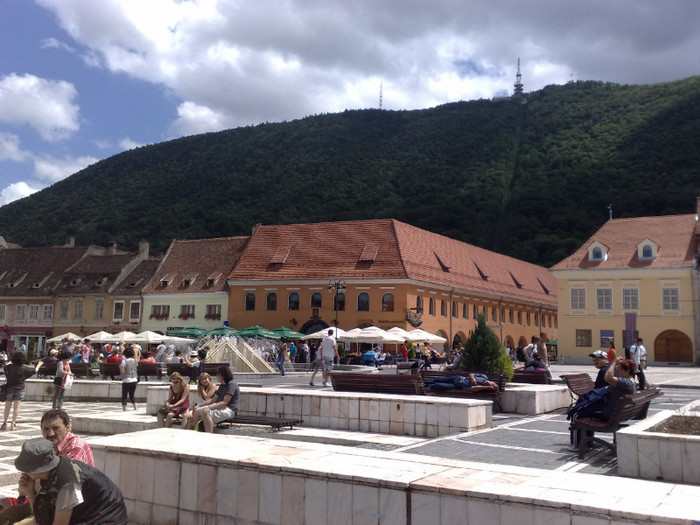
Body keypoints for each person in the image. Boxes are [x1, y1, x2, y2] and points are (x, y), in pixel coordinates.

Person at [0, 410, 94, 525]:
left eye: (56, 428)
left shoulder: (75, 448)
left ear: (68, 427)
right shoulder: (45, 448)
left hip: (72, 508)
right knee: (4, 516)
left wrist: (33, 487)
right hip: (46, 501)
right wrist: (29, 489)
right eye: (46, 429)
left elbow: (62, 489)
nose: (50, 434)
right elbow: (25, 489)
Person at [15, 437, 127, 525]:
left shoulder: (67, 483)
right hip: (86, 515)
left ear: (36, 469)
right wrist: (29, 492)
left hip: (105, 519)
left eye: (25, 468)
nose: (23, 471)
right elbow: (43, 517)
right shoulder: (51, 473)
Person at [568, 357, 637, 451]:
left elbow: (608, 377)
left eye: (620, 369)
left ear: (628, 370)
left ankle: (578, 445)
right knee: (587, 411)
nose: (617, 370)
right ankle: (587, 442)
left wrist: (614, 363)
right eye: (617, 368)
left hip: (609, 415)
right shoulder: (631, 381)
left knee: (577, 414)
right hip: (618, 414)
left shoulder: (624, 383)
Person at [189, 365, 239, 433]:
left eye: (218, 375)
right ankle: (197, 431)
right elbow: (213, 400)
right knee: (196, 411)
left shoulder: (231, 385)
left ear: (222, 375)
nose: (216, 376)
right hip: (221, 407)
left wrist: (209, 408)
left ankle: (209, 434)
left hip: (229, 410)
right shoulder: (222, 385)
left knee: (206, 413)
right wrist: (199, 405)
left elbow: (225, 402)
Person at [2, 353, 43, 431]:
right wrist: (39, 364)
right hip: (20, 389)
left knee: (7, 407)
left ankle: (5, 422)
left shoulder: (8, 367)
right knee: (17, 407)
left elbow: (6, 365)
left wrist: (11, 361)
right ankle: (13, 423)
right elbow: (34, 371)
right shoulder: (24, 368)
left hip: (9, 388)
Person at [424, 373, 498, 392]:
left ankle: (426, 386)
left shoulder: (481, 387)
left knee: (439, 385)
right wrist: (473, 379)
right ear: (492, 381)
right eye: (491, 384)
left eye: (491, 387)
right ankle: (424, 383)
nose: (489, 384)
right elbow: (471, 374)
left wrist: (486, 387)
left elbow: (472, 388)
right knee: (439, 379)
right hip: (458, 377)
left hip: (456, 385)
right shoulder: (484, 377)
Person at [119, 347, 138, 411]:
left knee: (124, 395)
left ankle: (124, 409)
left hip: (126, 380)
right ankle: (135, 408)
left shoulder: (124, 361)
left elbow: (122, 372)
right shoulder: (135, 361)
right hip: (134, 379)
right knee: (132, 395)